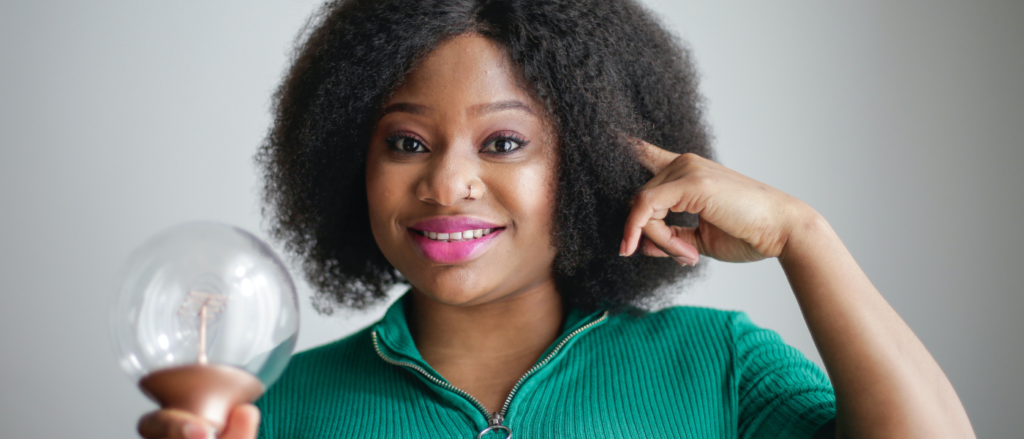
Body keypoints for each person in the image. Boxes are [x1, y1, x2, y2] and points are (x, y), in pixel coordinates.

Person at [138, 0, 975, 438]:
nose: (446, 181)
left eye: (503, 141)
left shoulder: (717, 365)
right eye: (406, 141)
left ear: (588, 167)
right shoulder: (274, 407)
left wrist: (803, 234)